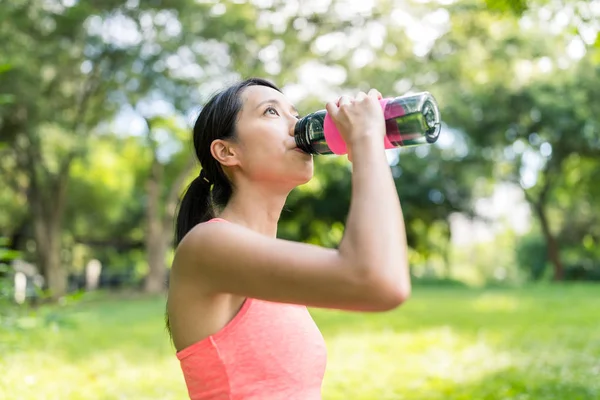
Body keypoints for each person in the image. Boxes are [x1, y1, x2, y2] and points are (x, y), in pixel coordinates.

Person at [166, 77, 411, 400]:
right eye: (271, 112)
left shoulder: (267, 268)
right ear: (226, 151)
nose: (296, 125)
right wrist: (366, 140)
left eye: (294, 113)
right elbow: (380, 281)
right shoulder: (207, 246)